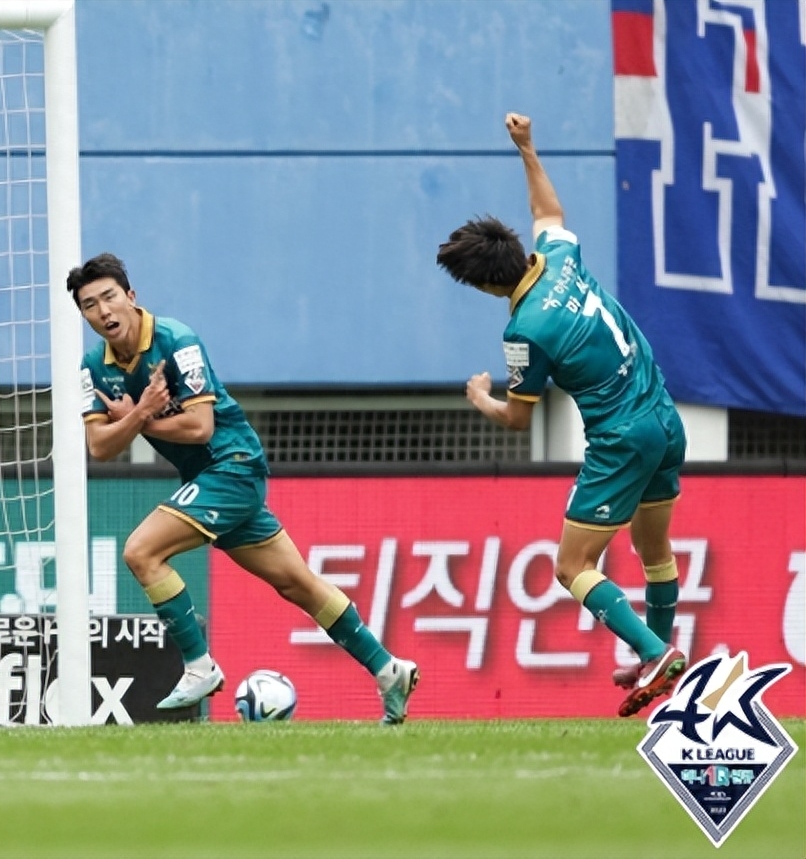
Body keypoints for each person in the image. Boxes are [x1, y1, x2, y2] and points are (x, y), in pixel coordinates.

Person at [69, 253, 419, 724]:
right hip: (206, 479)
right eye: (90, 305)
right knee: (298, 584)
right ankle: (389, 670)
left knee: (141, 552)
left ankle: (199, 666)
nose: (103, 311)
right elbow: (100, 446)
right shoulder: (93, 366)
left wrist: (137, 417)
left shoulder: (177, 341)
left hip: (232, 466)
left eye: (109, 297)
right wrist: (140, 414)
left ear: (131, 297)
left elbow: (199, 427)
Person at [435, 113, 687, 718]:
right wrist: (526, 147)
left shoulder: (525, 331)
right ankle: (654, 656)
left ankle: (656, 653)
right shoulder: (558, 256)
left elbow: (519, 420)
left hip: (621, 438)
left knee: (571, 565)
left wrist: (481, 398)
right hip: (663, 416)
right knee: (654, 548)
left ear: (485, 286)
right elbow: (548, 211)